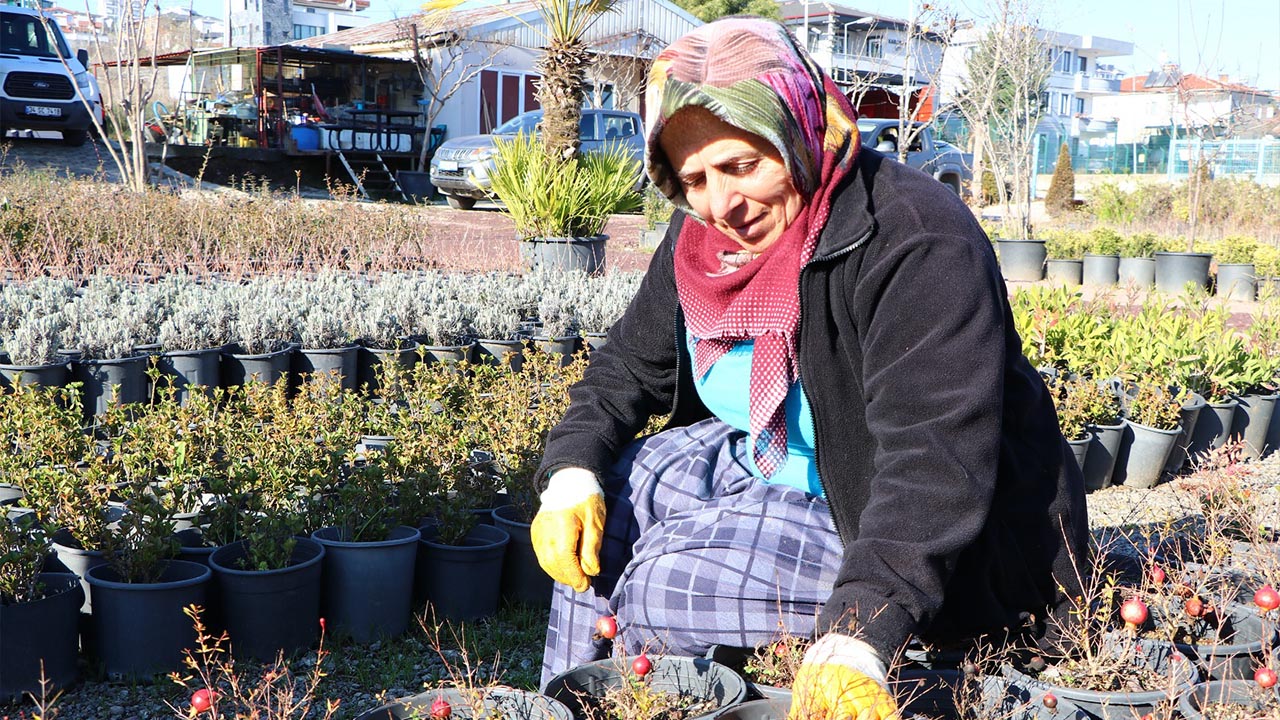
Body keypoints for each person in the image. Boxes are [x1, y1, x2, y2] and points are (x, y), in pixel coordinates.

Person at [529, 16, 1087, 719]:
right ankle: (569, 701)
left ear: (795, 126)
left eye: (741, 165)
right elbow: (625, 368)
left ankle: (647, 695)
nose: (720, 203)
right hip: (790, 463)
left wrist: (859, 630)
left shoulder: (914, 241)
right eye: (694, 179)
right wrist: (571, 472)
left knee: (664, 585)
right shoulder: (702, 238)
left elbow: (935, 462)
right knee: (610, 504)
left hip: (923, 522)